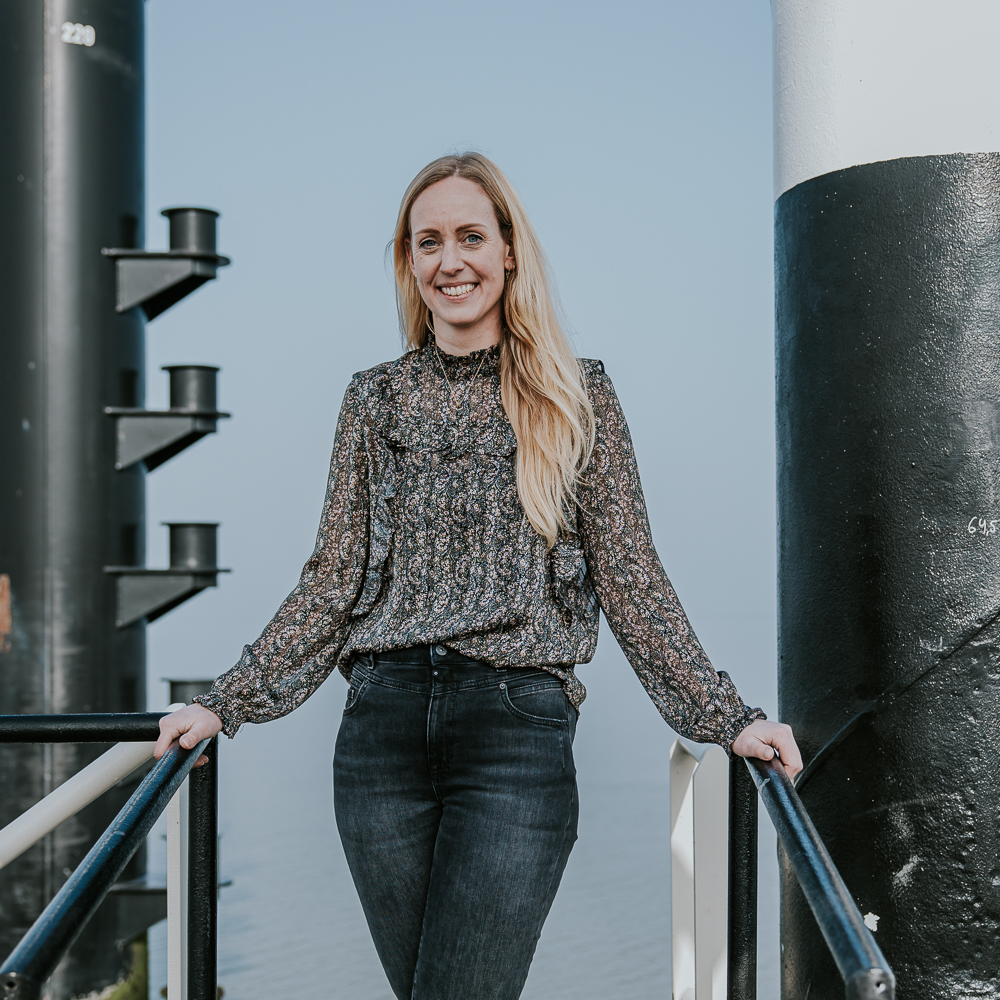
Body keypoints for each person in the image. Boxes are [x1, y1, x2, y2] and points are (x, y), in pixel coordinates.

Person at [155, 152, 802, 1000]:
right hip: (378, 738)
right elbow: (332, 579)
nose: (449, 260)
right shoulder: (374, 399)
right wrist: (224, 702)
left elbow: (632, 577)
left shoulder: (579, 396)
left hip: (514, 736)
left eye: (469, 236)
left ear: (507, 252)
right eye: (427, 242)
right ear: (408, 262)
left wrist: (725, 718)